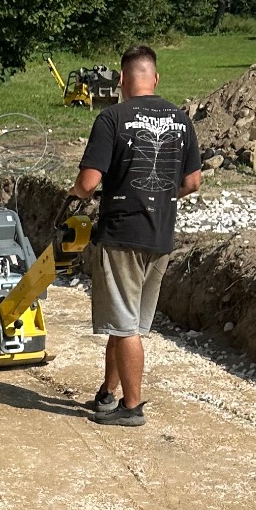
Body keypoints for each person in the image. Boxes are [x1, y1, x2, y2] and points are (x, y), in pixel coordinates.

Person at [72, 44, 202, 426]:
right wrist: (162, 195)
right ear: (156, 78)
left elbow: (88, 181)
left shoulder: (112, 118)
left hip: (122, 234)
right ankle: (108, 394)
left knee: (125, 326)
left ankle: (132, 407)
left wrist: (75, 196)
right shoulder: (181, 120)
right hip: (160, 236)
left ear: (122, 81)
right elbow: (192, 182)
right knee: (126, 322)